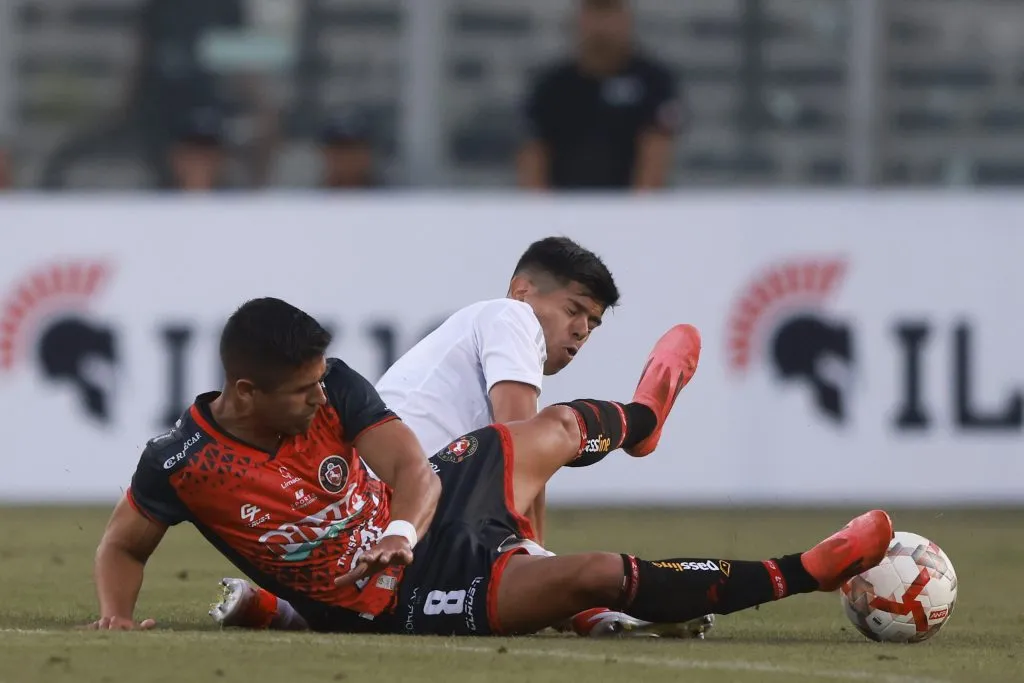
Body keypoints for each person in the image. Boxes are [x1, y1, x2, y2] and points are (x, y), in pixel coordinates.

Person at [88, 298, 895, 636]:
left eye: (318, 381)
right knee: (596, 574)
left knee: (542, 428)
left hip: (423, 522)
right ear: (244, 392)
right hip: (397, 601)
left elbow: (413, 468)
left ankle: (642, 422)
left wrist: (400, 531)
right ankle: (805, 572)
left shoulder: (334, 385)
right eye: (299, 392)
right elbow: (124, 541)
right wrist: (115, 614)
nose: (316, 397)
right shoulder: (183, 462)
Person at [209, 237, 710, 637]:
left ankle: (280, 611)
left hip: (379, 516)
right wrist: (531, 557)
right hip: (412, 503)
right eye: (574, 309)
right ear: (522, 291)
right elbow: (517, 444)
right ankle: (640, 432)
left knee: (423, 596)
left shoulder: (476, 332)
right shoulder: (510, 316)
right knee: (552, 450)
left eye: (592, 323)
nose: (581, 329)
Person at [517, 0, 682, 191]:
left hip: (628, 202)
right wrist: (542, 208)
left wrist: (638, 208)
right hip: (564, 203)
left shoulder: (652, 82)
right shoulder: (552, 86)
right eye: (593, 13)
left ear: (627, 19)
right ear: (577, 20)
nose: (601, 25)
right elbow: (533, 156)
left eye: (609, 13)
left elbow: (656, 152)